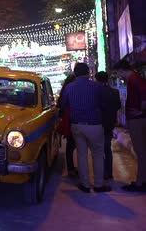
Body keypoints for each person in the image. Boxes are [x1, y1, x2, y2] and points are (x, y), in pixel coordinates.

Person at [62, 63, 110, 193]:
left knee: (82, 155)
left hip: (76, 125)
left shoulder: (69, 87)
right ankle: (99, 185)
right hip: (95, 125)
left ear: (75, 73)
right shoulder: (97, 86)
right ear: (88, 72)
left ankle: (85, 185)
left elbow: (63, 105)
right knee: (98, 155)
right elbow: (104, 105)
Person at [113, 59, 146, 192]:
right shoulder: (135, 78)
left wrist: (142, 110)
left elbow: (144, 93)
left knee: (141, 151)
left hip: (137, 120)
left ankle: (140, 182)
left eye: (118, 73)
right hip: (138, 118)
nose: (119, 76)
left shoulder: (133, 78)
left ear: (122, 70)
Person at [95, 71, 121, 181]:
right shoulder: (114, 92)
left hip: (98, 123)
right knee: (107, 149)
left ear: (96, 80)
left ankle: (101, 173)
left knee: (98, 150)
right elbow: (118, 106)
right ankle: (109, 173)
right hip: (109, 123)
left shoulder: (95, 92)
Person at [57, 73, 78, 178]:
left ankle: (71, 169)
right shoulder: (75, 90)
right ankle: (74, 169)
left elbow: (61, 106)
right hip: (74, 120)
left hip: (69, 121)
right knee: (77, 146)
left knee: (70, 146)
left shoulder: (65, 91)